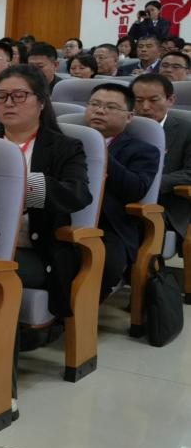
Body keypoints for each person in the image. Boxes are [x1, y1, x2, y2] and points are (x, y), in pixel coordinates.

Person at [0, 65, 91, 328]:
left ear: (41, 102)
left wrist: (23, 188)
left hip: (34, 249)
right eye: (1, 96)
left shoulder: (64, 147)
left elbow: (78, 194)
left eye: (19, 96)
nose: (8, 103)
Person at [84, 82, 160, 296]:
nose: (100, 111)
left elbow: (134, 190)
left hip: (109, 228)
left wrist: (99, 151)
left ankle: (77, 312)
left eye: (110, 107)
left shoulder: (143, 150)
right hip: (60, 218)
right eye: (94, 104)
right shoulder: (66, 140)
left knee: (104, 263)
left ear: (129, 117)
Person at [132, 74, 191, 247]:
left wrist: (150, 184)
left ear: (170, 100)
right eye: (138, 100)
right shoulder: (123, 126)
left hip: (164, 205)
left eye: (153, 100)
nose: (145, 107)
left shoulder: (187, 130)